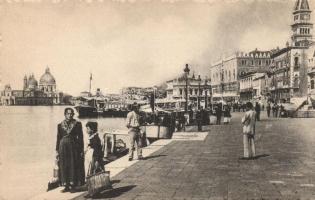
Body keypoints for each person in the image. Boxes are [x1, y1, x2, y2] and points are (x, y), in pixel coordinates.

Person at [56, 108, 85, 192]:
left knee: (73, 164)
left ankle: (73, 185)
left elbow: (80, 137)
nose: (70, 115)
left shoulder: (77, 124)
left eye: (71, 114)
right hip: (63, 148)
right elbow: (58, 138)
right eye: (68, 114)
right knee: (64, 165)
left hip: (73, 147)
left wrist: (81, 150)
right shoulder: (60, 125)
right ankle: (66, 185)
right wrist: (57, 151)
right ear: (65, 114)